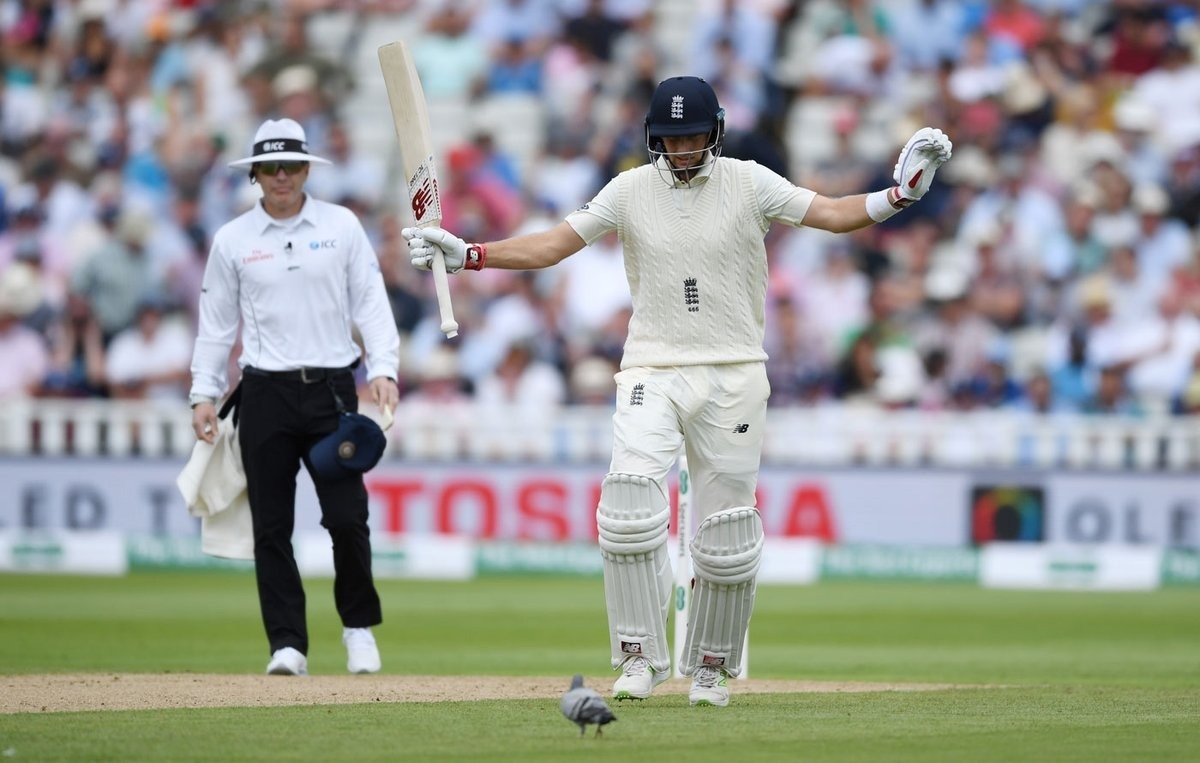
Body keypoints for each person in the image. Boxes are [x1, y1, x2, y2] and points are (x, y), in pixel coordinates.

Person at [404, 76, 952, 707]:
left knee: (726, 535)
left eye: (693, 137)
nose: (683, 149)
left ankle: (713, 666)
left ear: (714, 133)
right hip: (652, 367)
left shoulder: (749, 181)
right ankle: (640, 657)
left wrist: (899, 196)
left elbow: (829, 214)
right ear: (652, 138)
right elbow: (554, 245)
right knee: (629, 506)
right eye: (670, 139)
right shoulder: (631, 188)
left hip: (735, 369)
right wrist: (471, 254)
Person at [188, 118, 401, 677]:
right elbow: (215, 324)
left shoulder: (342, 225)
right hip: (263, 392)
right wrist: (202, 394)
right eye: (271, 168)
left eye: (293, 166)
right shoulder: (232, 240)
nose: (283, 177)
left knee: (348, 516)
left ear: (308, 169)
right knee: (271, 527)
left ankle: (357, 629)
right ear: (255, 174)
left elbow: (371, 305)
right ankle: (288, 645)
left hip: (331, 391)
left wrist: (384, 369)